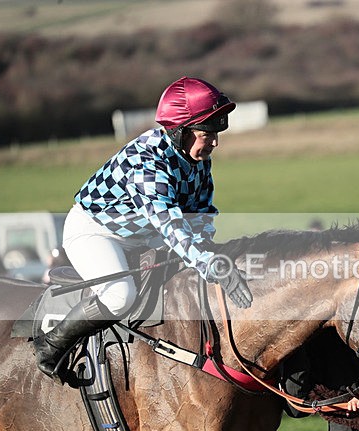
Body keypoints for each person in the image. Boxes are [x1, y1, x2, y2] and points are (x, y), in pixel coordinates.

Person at [34, 76, 253, 383]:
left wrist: (207, 250)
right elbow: (171, 224)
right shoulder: (146, 163)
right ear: (180, 131)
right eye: (208, 133)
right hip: (95, 231)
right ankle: (51, 345)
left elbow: (201, 213)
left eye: (217, 133)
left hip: (142, 235)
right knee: (120, 296)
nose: (214, 141)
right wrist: (208, 263)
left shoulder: (198, 159)